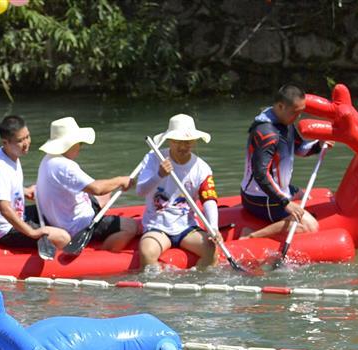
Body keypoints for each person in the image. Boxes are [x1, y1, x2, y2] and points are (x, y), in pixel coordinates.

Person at [35, 116, 138, 252]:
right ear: (70, 144)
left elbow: (99, 189)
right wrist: (121, 180)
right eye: (79, 143)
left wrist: (114, 184)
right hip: (76, 226)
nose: (80, 147)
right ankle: (104, 253)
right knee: (131, 227)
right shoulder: (65, 166)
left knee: (107, 193)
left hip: (63, 215)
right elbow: (97, 189)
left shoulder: (48, 159)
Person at [240, 84, 328, 239]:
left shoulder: (285, 124)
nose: (298, 117)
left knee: (305, 196)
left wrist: (319, 145)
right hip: (260, 197)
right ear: (280, 106)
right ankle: (251, 235)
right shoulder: (266, 133)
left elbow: (300, 149)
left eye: (300, 112)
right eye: (295, 112)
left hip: (275, 189)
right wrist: (285, 202)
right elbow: (260, 173)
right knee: (311, 226)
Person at [134, 114, 221, 268]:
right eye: (177, 142)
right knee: (147, 253)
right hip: (157, 226)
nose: (183, 147)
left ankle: (196, 279)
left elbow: (209, 200)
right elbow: (140, 191)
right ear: (169, 140)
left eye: (188, 142)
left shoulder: (202, 168)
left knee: (212, 251)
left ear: (194, 141)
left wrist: (213, 227)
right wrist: (159, 175)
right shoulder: (153, 158)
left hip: (186, 227)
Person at [0, 115, 70, 249]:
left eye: (27, 137)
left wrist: (24, 191)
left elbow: (3, 187)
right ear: (5, 142)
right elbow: (5, 209)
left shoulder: (8, 153)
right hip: (4, 231)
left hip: (19, 214)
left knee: (57, 210)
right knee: (63, 237)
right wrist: (32, 232)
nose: (26, 143)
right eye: (20, 140)